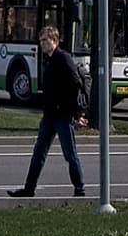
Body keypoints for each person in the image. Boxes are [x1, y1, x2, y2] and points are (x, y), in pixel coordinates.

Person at [9, 25, 88, 199]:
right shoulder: (49, 60)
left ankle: (79, 189)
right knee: (38, 153)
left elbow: (76, 83)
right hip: (49, 115)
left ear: (55, 40)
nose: (42, 43)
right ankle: (29, 189)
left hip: (62, 115)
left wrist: (75, 113)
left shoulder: (63, 58)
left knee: (70, 154)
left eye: (45, 40)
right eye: (41, 40)